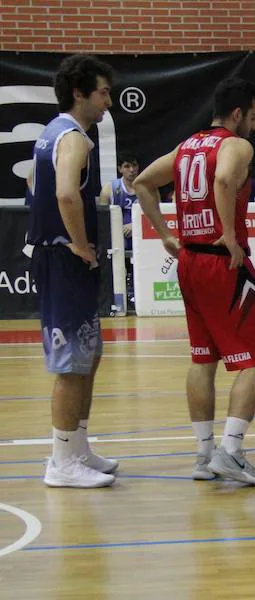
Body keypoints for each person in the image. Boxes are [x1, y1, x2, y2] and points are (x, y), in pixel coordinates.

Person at [133, 77, 255, 485]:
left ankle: (203, 454)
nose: (254, 126)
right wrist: (230, 235)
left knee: (203, 358)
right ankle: (231, 451)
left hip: (189, 261)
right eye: (252, 117)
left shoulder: (187, 147)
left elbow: (142, 182)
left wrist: (165, 232)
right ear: (237, 114)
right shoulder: (236, 145)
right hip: (221, 263)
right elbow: (225, 180)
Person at [30, 54, 117, 488]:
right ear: (79, 92)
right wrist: (81, 246)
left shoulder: (51, 133)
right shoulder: (76, 139)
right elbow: (66, 195)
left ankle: (77, 446)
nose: (108, 102)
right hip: (65, 261)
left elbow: (34, 184)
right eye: (102, 92)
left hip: (59, 258)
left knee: (90, 354)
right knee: (71, 364)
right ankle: (61, 462)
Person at [98, 151, 140, 305]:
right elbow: (103, 219)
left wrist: (135, 225)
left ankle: (137, 288)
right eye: (127, 166)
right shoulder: (109, 189)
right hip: (118, 235)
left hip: (141, 234)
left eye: (134, 165)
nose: (131, 170)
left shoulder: (147, 185)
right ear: (120, 169)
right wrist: (118, 230)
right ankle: (121, 293)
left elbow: (155, 213)